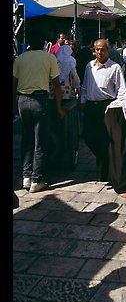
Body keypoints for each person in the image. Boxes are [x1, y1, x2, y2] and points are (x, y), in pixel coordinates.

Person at [13, 29, 65, 193]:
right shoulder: (49, 58)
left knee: (26, 140)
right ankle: (37, 179)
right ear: (43, 44)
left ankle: (26, 177)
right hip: (40, 101)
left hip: (22, 100)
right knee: (39, 142)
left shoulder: (20, 59)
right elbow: (56, 85)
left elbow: (14, 83)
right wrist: (58, 107)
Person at [80, 38, 126, 180]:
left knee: (104, 139)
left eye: (102, 49)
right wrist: (82, 100)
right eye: (97, 50)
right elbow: (85, 85)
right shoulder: (89, 66)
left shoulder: (114, 67)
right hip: (90, 106)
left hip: (106, 107)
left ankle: (104, 172)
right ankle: (104, 160)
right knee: (89, 137)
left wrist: (119, 107)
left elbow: (121, 89)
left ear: (108, 51)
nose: (99, 52)